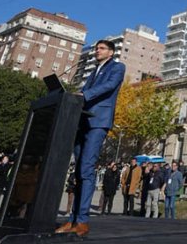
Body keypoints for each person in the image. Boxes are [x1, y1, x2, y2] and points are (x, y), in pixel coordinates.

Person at [55, 40, 125, 237]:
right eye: (96, 48)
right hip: (82, 121)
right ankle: (73, 219)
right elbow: (85, 90)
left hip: (98, 121)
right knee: (78, 171)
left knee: (87, 168)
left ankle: (83, 221)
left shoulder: (117, 67)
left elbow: (110, 86)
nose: (97, 51)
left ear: (111, 52)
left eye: (101, 48)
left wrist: (83, 95)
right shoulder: (94, 71)